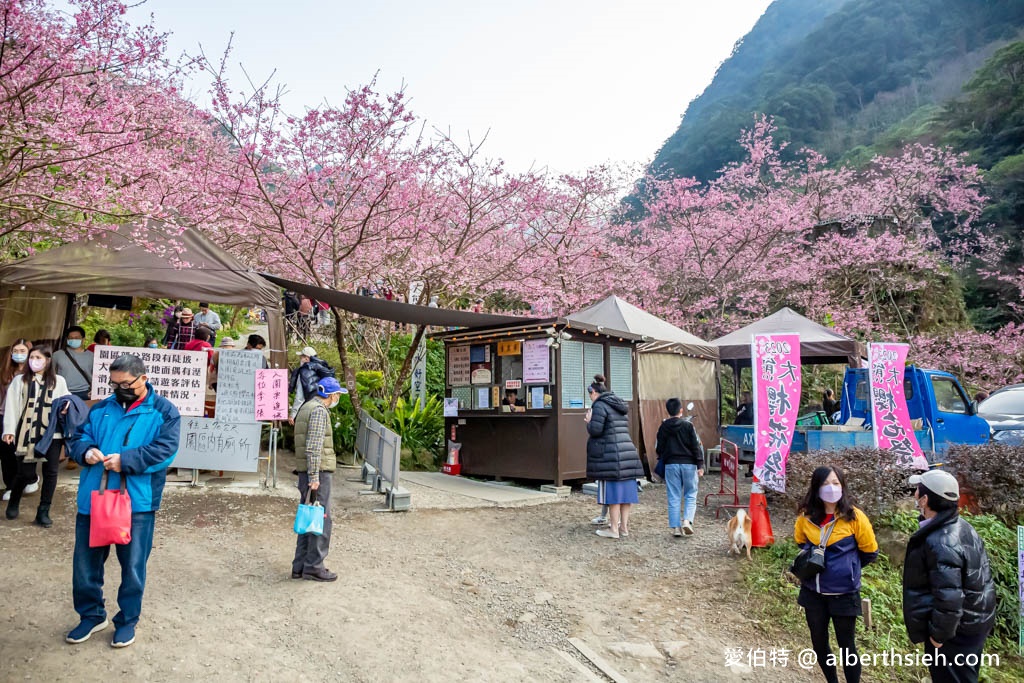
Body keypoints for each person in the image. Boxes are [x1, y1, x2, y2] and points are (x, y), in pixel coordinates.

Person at [66, 353, 180, 648]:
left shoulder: (164, 411)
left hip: (137, 501)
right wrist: (86, 450)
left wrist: (126, 460)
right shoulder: (102, 407)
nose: (120, 390)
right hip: (95, 497)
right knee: (85, 564)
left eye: (126, 384)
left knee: (132, 566)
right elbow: (77, 437)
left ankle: (127, 620)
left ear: (144, 378)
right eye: (114, 384)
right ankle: (91, 615)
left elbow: (165, 450)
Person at [903, 469, 995, 683]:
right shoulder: (961, 526)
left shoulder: (940, 541)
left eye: (918, 491)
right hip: (973, 624)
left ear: (925, 500)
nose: (915, 494)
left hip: (954, 635)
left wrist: (938, 636)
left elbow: (949, 598)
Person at [794, 466, 878, 683]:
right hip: (813, 591)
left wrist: (847, 569)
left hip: (844, 593)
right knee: (819, 643)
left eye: (835, 483)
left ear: (843, 486)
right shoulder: (806, 517)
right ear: (816, 487)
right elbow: (801, 542)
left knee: (847, 646)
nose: (831, 488)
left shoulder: (855, 517)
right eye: (825, 484)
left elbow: (869, 552)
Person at [2, 345, 70, 525]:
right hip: (26, 433)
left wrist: (67, 407)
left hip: (52, 434)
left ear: (48, 360)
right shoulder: (19, 381)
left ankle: (43, 511)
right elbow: (12, 406)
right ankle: (15, 498)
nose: (34, 361)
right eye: (32, 357)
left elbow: (66, 400)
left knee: (51, 472)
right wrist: (9, 430)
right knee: (25, 472)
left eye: (38, 358)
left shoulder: (59, 381)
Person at [292, 377, 345, 582]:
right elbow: (313, 446)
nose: (337, 398)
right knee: (321, 518)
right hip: (318, 472)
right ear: (330, 395)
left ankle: (300, 566)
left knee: (308, 516)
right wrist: (315, 477)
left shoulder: (306, 407)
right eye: (337, 395)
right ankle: (314, 566)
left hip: (307, 471)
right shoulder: (319, 411)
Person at [585, 374, 644, 539]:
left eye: (590, 394)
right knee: (626, 495)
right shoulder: (618, 405)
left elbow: (596, 430)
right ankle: (624, 527)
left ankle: (613, 529)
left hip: (610, 456)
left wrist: (589, 421)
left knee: (613, 495)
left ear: (594, 392)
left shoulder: (599, 406)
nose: (590, 398)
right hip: (627, 453)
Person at [656, 397, 704, 537]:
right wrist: (700, 465)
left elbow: (659, 448)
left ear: (668, 411)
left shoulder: (663, 427)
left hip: (671, 464)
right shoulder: (688, 426)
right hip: (689, 464)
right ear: (681, 410)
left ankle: (676, 527)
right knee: (690, 494)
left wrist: (664, 456)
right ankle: (687, 521)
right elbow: (696, 446)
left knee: (674, 496)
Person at [1, 339, 31, 498]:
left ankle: (30, 478)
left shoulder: (33, 373)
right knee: (7, 452)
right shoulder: (5, 372)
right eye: (16, 351)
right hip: (4, 415)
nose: (19, 355)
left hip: (26, 417)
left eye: (22, 351)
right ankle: (10, 486)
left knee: (23, 452)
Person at [289, 347, 334, 425]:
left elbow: (300, 396)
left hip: (307, 408)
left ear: (306, 358)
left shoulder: (304, 371)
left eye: (301, 357)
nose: (300, 359)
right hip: (321, 407)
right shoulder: (321, 368)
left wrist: (292, 414)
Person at [53, 325, 95, 401]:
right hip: (63, 392)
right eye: (71, 338)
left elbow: (96, 376)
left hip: (85, 393)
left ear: (83, 339)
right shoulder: (57, 355)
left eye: (76, 338)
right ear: (67, 339)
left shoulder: (92, 356)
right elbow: (51, 374)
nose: (73, 340)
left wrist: (94, 390)